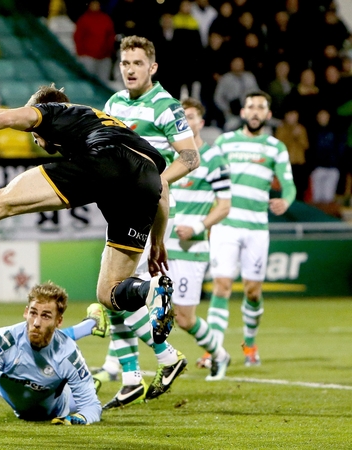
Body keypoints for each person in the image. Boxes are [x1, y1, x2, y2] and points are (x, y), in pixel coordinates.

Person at [0, 83, 202, 347]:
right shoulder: (108, 126)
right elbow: (161, 190)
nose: (35, 140)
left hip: (108, 162)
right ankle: (149, 290)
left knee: (1, 202)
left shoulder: (56, 112)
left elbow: (2, 118)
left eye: (35, 135)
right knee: (109, 292)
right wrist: (158, 242)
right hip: (146, 180)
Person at [95, 35, 199, 409]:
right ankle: (132, 377)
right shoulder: (114, 103)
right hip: (120, 208)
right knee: (112, 297)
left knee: (111, 292)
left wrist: (155, 182)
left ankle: (163, 359)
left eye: (137, 63)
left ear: (152, 67)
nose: (130, 70)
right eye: (125, 63)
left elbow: (190, 158)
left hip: (146, 207)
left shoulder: (167, 106)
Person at [207, 91, 296, 368]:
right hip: (226, 225)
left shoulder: (275, 148)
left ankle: (249, 345)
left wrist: (286, 199)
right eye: (251, 107)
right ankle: (213, 350)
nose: (255, 112)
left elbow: (289, 184)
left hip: (257, 228)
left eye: (261, 108)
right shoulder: (224, 142)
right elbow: (208, 177)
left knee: (253, 292)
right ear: (243, 113)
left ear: (268, 115)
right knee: (221, 287)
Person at [0, 282, 106, 427]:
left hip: (58, 405)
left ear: (59, 321)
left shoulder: (68, 354)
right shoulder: (4, 341)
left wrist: (77, 419)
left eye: (45, 316)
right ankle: (90, 324)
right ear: (26, 312)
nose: (36, 322)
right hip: (22, 400)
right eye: (33, 313)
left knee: (75, 394)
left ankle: (90, 379)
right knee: (48, 337)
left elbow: (91, 406)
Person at [168, 98, 232, 381]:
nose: (186, 121)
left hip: (191, 250)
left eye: (191, 116)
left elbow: (224, 205)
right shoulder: (170, 155)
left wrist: (198, 226)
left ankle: (219, 354)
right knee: (139, 307)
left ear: (200, 123)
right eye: (182, 116)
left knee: (184, 319)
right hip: (163, 247)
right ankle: (126, 370)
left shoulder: (214, 159)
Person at [72, 0, 115, 83]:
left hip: (104, 57)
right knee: (87, 81)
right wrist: (81, 52)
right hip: (88, 56)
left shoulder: (106, 19)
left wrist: (109, 51)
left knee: (103, 82)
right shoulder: (84, 19)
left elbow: (110, 36)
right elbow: (78, 37)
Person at [214, 57, 259, 131]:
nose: (238, 67)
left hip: (248, 111)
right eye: (236, 64)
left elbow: (257, 93)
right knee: (231, 127)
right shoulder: (225, 79)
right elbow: (218, 97)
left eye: (240, 64)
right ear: (231, 65)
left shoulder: (249, 77)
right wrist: (226, 109)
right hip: (231, 112)